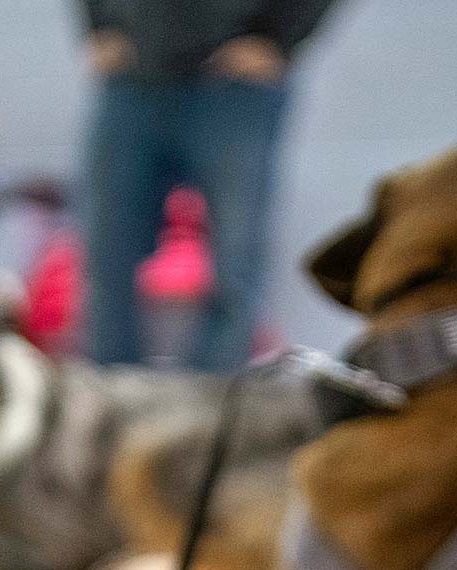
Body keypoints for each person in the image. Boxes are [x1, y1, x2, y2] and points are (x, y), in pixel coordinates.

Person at [77, 0, 338, 372]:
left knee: (236, 266)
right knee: (106, 258)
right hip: (133, 76)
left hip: (236, 85)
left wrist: (277, 37)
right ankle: (107, 401)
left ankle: (213, 408)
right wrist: (98, 23)